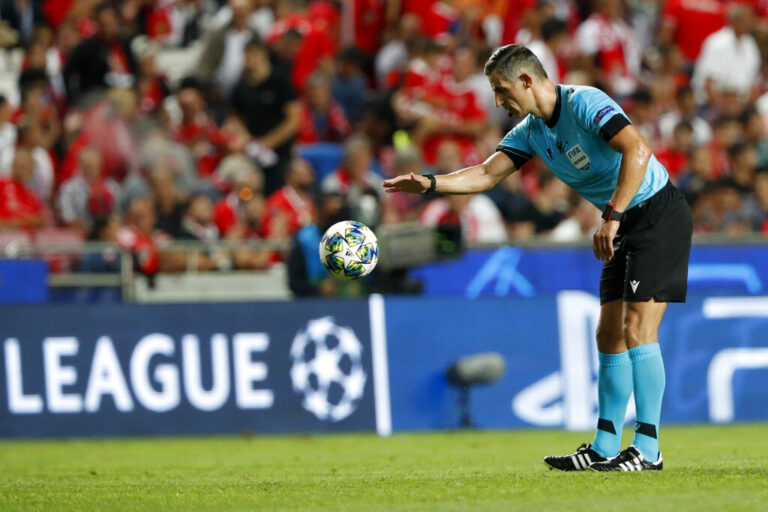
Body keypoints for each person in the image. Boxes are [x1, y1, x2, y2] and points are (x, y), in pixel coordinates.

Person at [383, 44, 693, 472]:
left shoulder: (585, 103)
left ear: (527, 80)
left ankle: (648, 448)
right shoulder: (531, 131)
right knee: (609, 335)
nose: (497, 101)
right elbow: (486, 173)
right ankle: (605, 445)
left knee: (638, 328)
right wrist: (431, 183)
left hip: (657, 213)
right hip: (621, 221)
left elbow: (637, 150)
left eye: (501, 89)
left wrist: (612, 216)